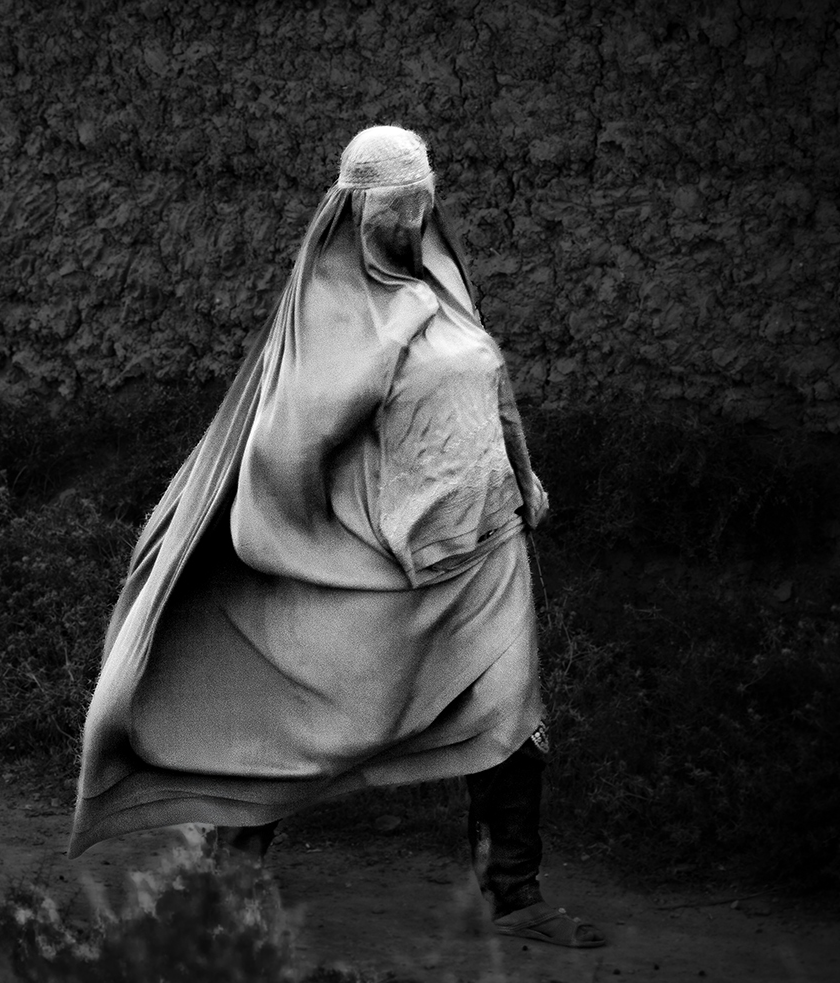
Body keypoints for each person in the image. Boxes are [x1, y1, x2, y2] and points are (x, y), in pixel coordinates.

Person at [69, 125, 604, 948]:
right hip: (379, 565)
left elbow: (490, 394)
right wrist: (322, 550)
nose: (406, 220)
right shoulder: (335, 314)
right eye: (389, 206)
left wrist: (522, 478)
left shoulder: (443, 289)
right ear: (354, 211)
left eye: (416, 202)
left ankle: (514, 892)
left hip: (486, 554)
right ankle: (229, 886)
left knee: (512, 718)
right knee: (301, 725)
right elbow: (286, 449)